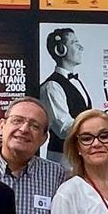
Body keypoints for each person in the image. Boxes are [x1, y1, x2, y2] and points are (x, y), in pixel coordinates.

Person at [39, 28, 91, 161]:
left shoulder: (76, 81)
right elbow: (63, 128)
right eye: (75, 43)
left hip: (81, 156)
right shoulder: (51, 86)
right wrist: (99, 128)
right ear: (60, 49)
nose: (82, 48)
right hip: (62, 159)